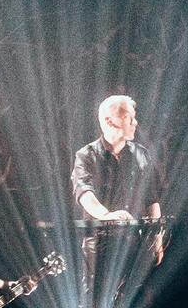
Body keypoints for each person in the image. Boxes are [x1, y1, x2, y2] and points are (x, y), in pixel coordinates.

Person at [71, 94, 165, 285]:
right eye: (130, 117)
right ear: (110, 120)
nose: (135, 122)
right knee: (94, 302)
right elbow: (84, 193)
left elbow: (151, 198)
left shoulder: (141, 154)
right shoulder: (86, 155)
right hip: (99, 244)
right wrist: (107, 216)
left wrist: (156, 236)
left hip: (134, 243)